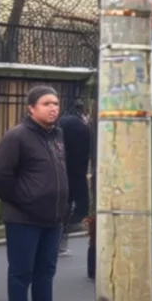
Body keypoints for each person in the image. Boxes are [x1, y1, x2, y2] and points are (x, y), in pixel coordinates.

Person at [0, 86, 75, 301]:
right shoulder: (17, 136)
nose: (53, 108)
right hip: (24, 218)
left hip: (53, 216)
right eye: (46, 103)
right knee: (21, 270)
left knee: (46, 269)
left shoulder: (57, 135)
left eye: (56, 104)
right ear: (31, 108)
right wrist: (22, 200)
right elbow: (0, 175)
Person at [56, 100, 91, 258]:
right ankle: (59, 243)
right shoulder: (83, 129)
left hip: (59, 177)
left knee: (60, 209)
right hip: (75, 176)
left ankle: (57, 243)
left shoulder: (61, 126)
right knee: (67, 209)